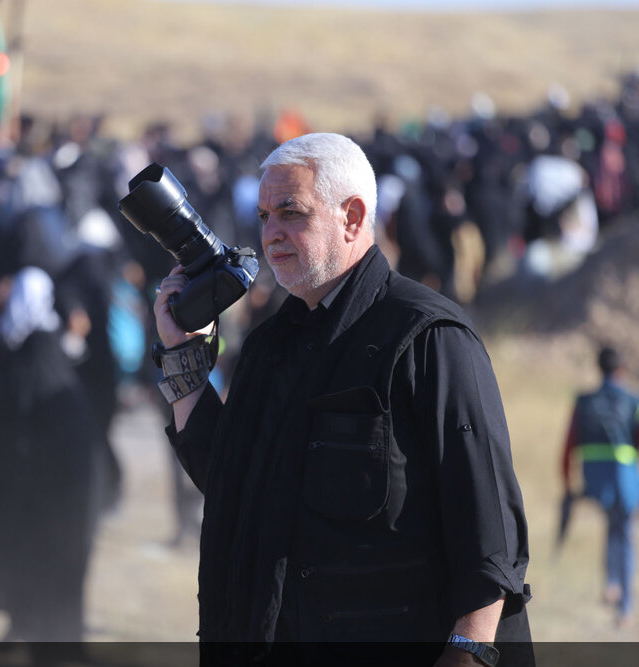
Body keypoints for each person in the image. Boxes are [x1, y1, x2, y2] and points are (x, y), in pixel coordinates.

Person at [154, 133, 532, 665]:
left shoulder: (428, 337)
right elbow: (231, 485)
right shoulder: (270, 346)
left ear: (352, 217)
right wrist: (184, 362)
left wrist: (469, 651)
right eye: (264, 217)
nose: (271, 235)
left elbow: (488, 527)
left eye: (291, 213)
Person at [0, 266, 102, 643]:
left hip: (39, 484)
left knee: (34, 556)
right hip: (41, 483)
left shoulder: (36, 349)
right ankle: (23, 622)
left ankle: (30, 624)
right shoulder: (33, 346)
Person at [561, 346, 639, 627]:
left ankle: (611, 583)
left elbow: (567, 446)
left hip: (595, 479)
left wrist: (567, 485)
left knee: (612, 525)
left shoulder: (584, 401)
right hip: (627, 480)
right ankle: (626, 606)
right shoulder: (637, 400)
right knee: (626, 532)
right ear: (621, 370)